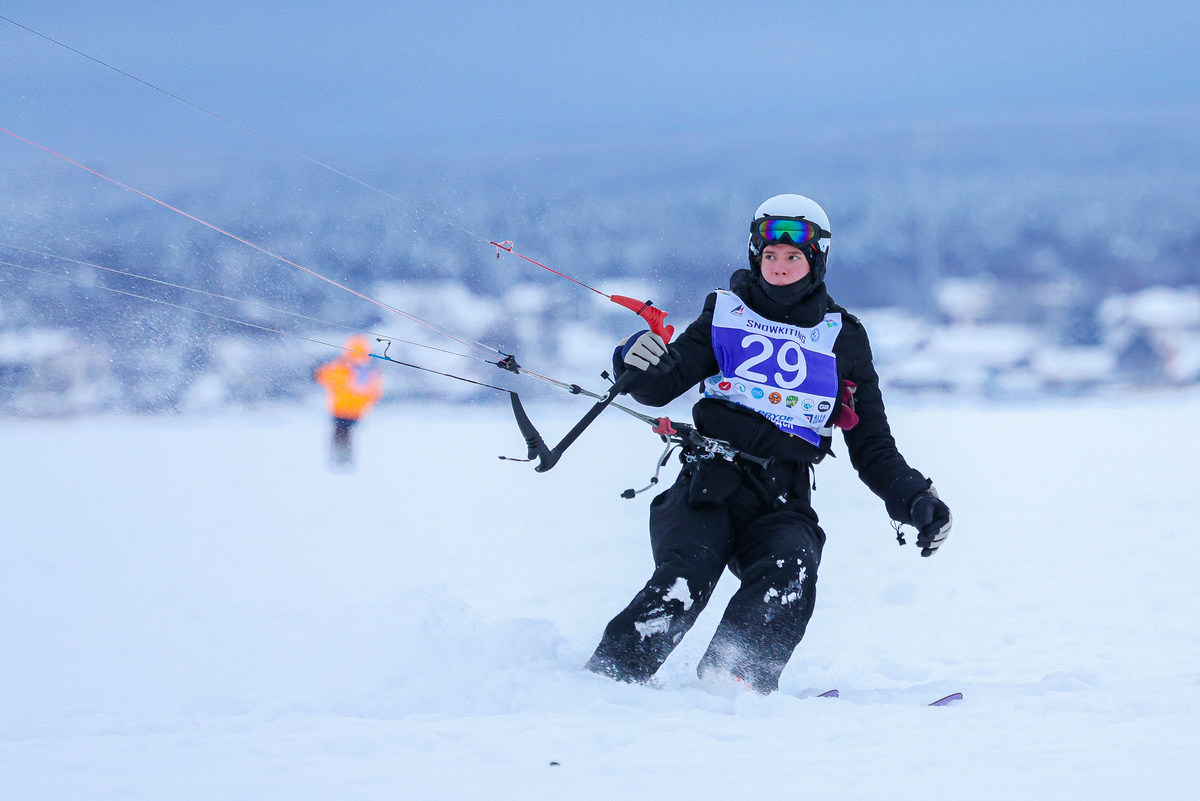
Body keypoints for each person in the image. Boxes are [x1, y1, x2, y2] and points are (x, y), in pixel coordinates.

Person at [584, 194, 952, 694]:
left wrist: (914, 497)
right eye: (770, 255)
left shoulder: (842, 338)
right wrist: (635, 360)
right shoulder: (724, 314)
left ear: (816, 261)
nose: (779, 266)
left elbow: (872, 444)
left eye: (793, 256)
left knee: (792, 566)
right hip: (706, 487)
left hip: (783, 498)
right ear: (756, 256)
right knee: (685, 577)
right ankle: (609, 679)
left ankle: (735, 681)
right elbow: (660, 385)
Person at [314, 334, 384, 466]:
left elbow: (325, 378)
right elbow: (375, 392)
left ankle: (340, 458)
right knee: (347, 433)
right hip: (358, 411)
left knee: (339, 433)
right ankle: (346, 457)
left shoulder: (342, 366)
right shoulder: (369, 369)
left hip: (340, 408)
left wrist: (319, 370)